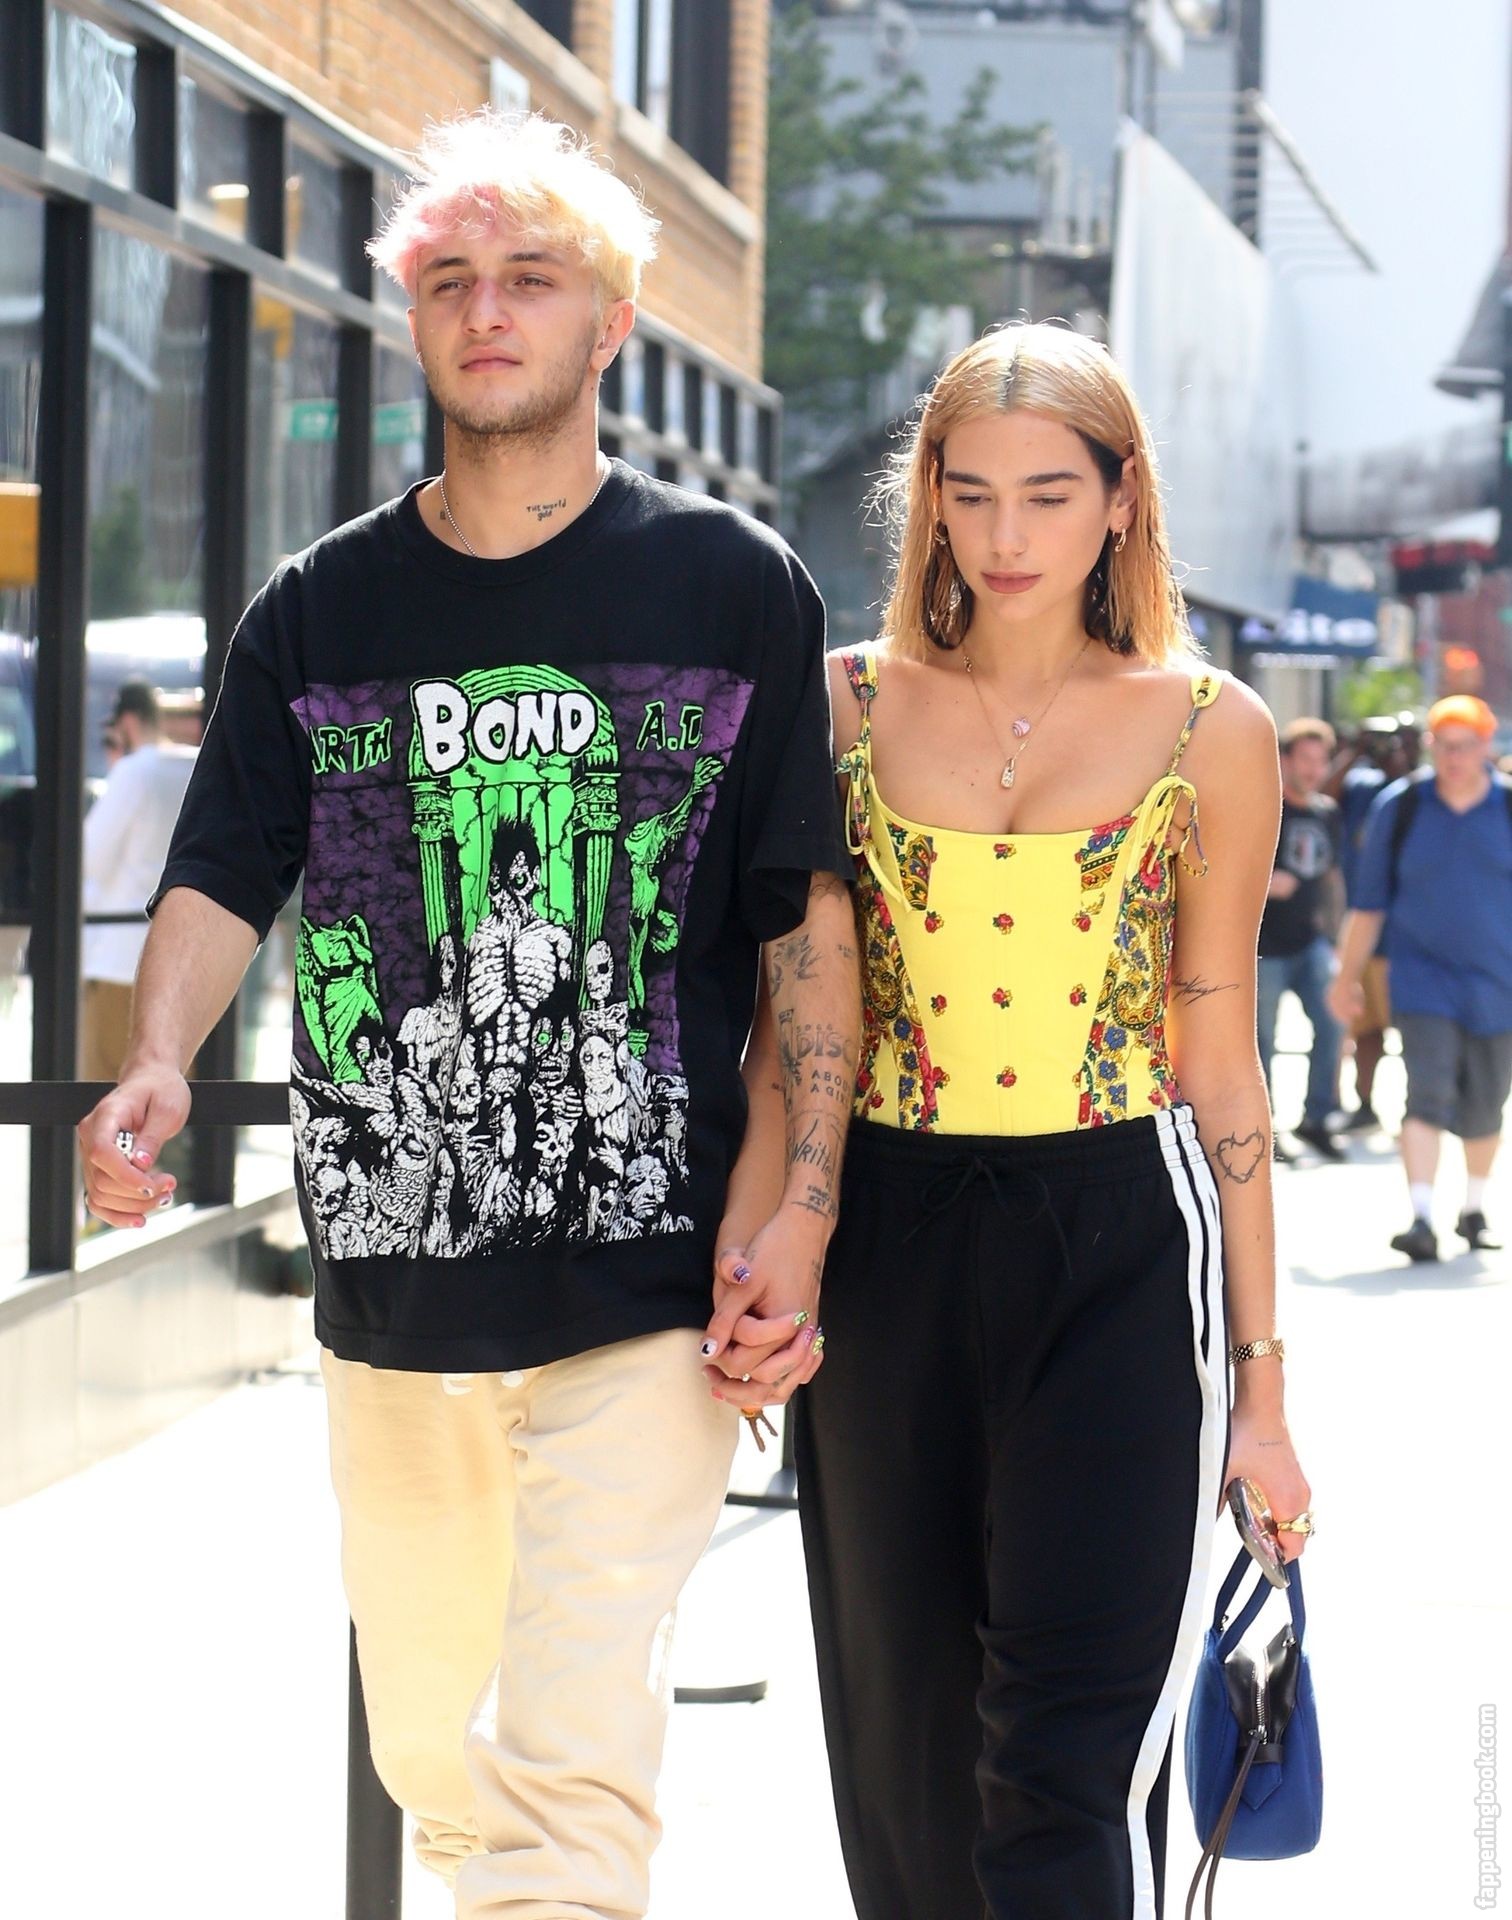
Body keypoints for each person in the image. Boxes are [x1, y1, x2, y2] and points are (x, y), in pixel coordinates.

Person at [76, 110, 856, 1918]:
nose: (485, 311)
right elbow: (223, 869)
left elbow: (804, 931)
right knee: (439, 1765)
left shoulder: (732, 585)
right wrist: (155, 1061)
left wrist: (802, 1210)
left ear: (612, 323)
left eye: (530, 278)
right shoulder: (317, 607)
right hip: (395, 1284)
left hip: (651, 1285)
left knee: (567, 1768)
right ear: (412, 320)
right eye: (447, 281)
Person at [709, 322, 1312, 1920]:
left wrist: (1263, 1395)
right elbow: (794, 1031)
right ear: (928, 499)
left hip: (1122, 1242)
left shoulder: (1214, 729)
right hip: (887, 1237)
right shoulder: (837, 706)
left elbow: (1224, 1066)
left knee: (1062, 1762)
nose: (1007, 534)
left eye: (1049, 494)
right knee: (904, 1748)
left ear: (1122, 501)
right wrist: (767, 1251)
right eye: (969, 493)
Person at [1330, 694, 1512, 1263]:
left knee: (1487, 1102)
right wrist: (1345, 976)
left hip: (1498, 984)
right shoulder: (1402, 807)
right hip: (1421, 979)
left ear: (1486, 745)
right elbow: (1367, 904)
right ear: (1431, 746)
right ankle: (1422, 1217)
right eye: (1443, 746)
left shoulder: (1507, 807)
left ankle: (1473, 1210)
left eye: (1465, 746)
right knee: (1425, 1091)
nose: (1453, 758)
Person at [80, 680, 197, 1081]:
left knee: (108, 1088)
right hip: (186, 963)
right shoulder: (193, 767)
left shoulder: (134, 772)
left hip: (120, 961)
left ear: (127, 723)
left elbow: (88, 858)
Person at [1256, 717, 1345, 1160]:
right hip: (1263, 947)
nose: (1313, 769)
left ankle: (1317, 1118)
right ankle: (1265, 1130)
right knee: (1261, 1042)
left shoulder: (1326, 812)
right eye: (1305, 759)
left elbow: (1332, 878)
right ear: (1285, 759)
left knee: (1333, 1022)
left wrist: (1338, 940)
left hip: (1311, 942)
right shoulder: (1262, 807)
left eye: (1320, 760)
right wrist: (1263, 882)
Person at [1326, 713, 1419, 1129]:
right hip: (1363, 932)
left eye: (1404, 741)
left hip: (1406, 938)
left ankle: (1421, 1109)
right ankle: (1365, 1104)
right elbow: (1325, 796)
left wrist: (1399, 765)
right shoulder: (1361, 785)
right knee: (1365, 1029)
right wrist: (1354, 751)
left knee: (1417, 1030)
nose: (1394, 748)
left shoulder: (1421, 795)